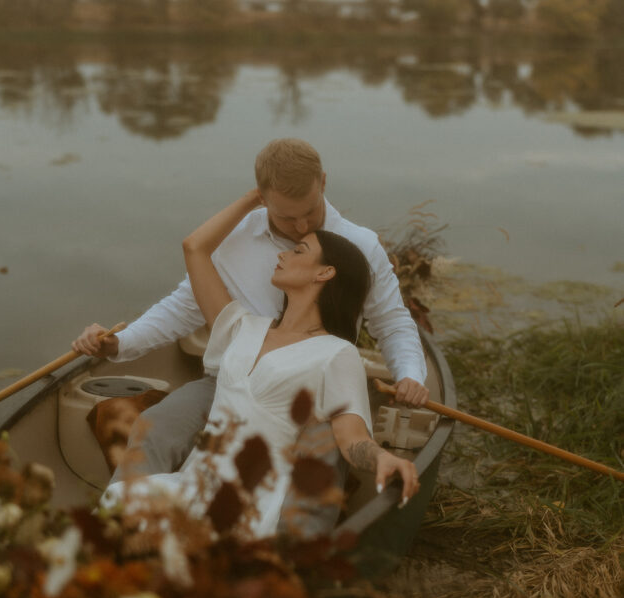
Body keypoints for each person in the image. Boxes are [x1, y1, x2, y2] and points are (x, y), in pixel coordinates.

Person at [72, 139, 429, 494]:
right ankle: (129, 519)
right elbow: (185, 303)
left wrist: (410, 375)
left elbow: (392, 322)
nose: (302, 226)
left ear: (322, 182)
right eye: (287, 217)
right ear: (262, 196)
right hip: (229, 380)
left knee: (314, 470)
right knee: (154, 428)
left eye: (310, 210)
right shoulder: (235, 241)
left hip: (311, 390)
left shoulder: (360, 247)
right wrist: (120, 343)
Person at [100, 190, 420, 539]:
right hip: (194, 484)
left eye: (299, 251)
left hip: (253, 500)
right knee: (119, 510)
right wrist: (257, 197)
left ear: (325, 273)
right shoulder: (241, 326)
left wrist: (381, 459)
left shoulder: (336, 354)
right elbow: (194, 248)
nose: (283, 253)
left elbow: (351, 437)